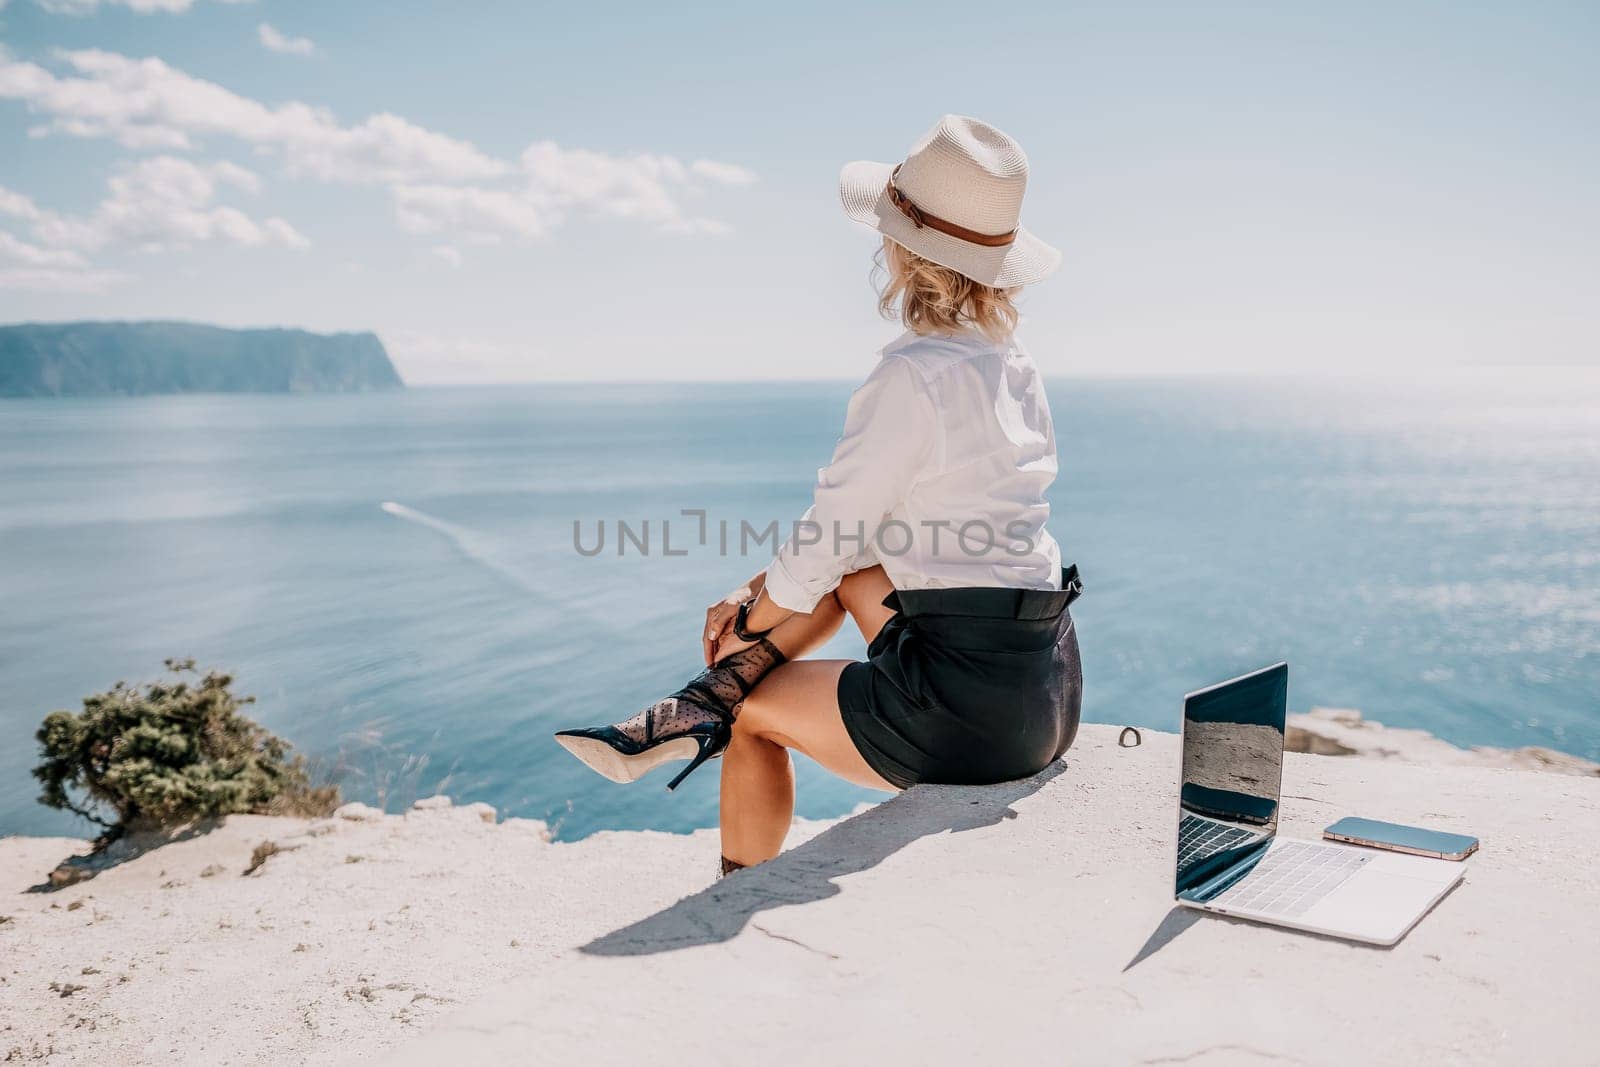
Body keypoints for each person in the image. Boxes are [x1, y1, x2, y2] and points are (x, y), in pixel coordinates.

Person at [556, 115, 1083, 875]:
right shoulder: (1014, 364)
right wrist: (761, 589)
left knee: (753, 715)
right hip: (1047, 688)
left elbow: (830, 535)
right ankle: (705, 696)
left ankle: (727, 851)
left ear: (904, 248)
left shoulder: (912, 375)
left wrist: (747, 614)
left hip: (970, 719)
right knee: (851, 575)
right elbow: (861, 549)